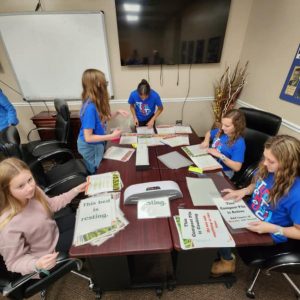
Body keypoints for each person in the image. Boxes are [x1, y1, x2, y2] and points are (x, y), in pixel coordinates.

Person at [211, 135, 300, 276]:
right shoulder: (268, 169)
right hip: (250, 212)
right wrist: (243, 191)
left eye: (271, 161)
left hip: (268, 231)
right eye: (265, 157)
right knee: (213, 209)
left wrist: (273, 228)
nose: (264, 163)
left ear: (289, 164)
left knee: (219, 229)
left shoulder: (296, 194)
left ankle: (227, 262)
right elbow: (257, 185)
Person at [0, 157, 87, 275]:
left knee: (87, 215)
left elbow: (52, 205)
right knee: (90, 230)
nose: (30, 187)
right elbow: (13, 263)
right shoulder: (8, 224)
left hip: (52, 230)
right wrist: (37, 264)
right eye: (21, 186)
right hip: (47, 251)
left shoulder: (33, 192)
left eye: (30, 179)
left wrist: (75, 190)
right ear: (8, 191)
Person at [77, 69, 129, 174]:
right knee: (96, 171)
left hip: (96, 144)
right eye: (105, 83)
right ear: (97, 85)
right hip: (90, 146)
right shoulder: (90, 108)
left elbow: (103, 118)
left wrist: (117, 112)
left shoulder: (95, 103)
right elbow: (88, 137)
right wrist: (111, 136)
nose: (106, 85)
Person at [200, 109, 246, 178]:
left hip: (224, 172)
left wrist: (219, 155)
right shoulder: (221, 131)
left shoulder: (239, 143)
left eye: (227, 126)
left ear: (237, 126)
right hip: (210, 164)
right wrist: (206, 141)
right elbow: (209, 133)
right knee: (191, 170)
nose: (222, 127)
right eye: (222, 124)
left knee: (200, 179)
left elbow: (237, 167)